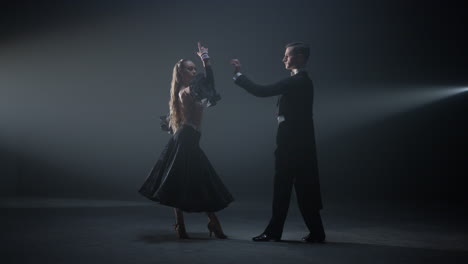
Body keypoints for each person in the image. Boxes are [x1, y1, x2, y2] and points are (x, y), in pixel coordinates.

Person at [230, 42, 325, 243]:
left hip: (292, 144)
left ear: (299, 57)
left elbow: (261, 91)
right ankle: (316, 232)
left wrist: (239, 76)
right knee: (302, 188)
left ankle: (275, 232)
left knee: (284, 188)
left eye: (287, 55)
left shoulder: (298, 81)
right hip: (297, 143)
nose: (283, 59)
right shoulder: (300, 81)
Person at [140, 42, 233, 239]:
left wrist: (205, 62)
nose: (193, 71)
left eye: (194, 68)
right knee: (186, 180)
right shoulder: (187, 91)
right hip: (186, 139)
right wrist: (205, 60)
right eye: (189, 68)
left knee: (192, 180)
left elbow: (208, 86)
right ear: (181, 73)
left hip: (189, 138)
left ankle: (192, 225)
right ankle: (197, 224)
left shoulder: (188, 90)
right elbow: (209, 83)